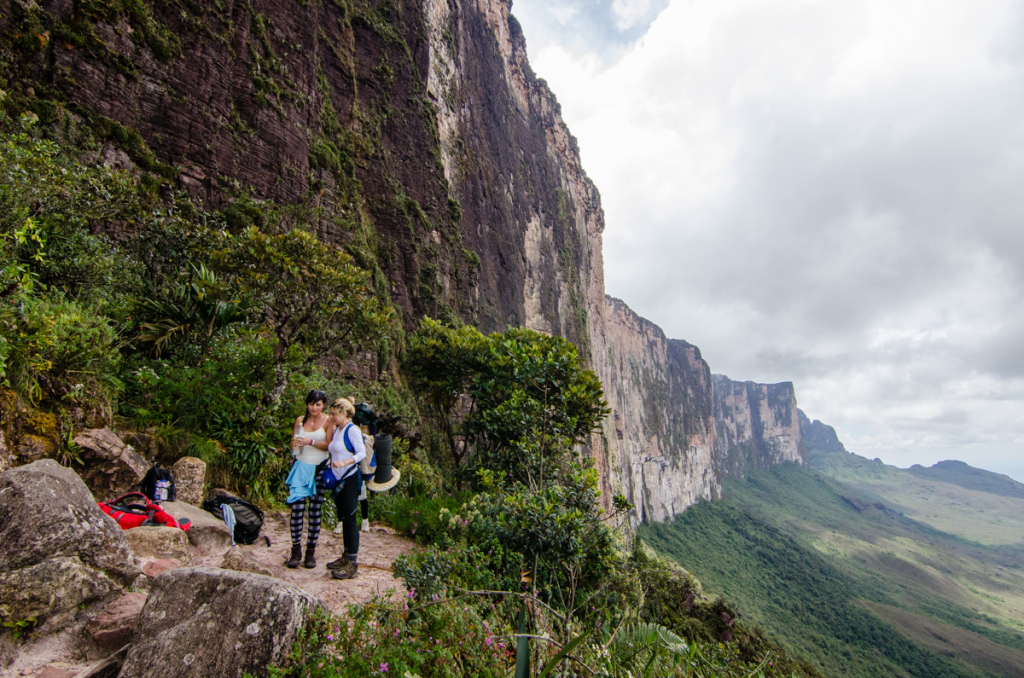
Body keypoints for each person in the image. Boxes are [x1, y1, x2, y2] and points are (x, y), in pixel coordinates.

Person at [284, 389, 333, 569]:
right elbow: (293, 442)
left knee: (314, 510)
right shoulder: (300, 420)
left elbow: (329, 445)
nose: (314, 408)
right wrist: (294, 444)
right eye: (311, 404)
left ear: (324, 405)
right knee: (297, 508)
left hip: (319, 468)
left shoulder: (328, 421)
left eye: (318, 404)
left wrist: (310, 442)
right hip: (301, 466)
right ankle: (295, 549)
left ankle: (310, 551)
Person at [320, 397, 366, 579]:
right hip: (338, 480)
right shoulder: (338, 430)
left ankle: (352, 564)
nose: (331, 417)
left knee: (350, 520)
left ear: (343, 413)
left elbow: (361, 452)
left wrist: (344, 462)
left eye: (333, 414)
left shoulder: (352, 430)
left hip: (349, 479)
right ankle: (345, 556)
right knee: (344, 518)